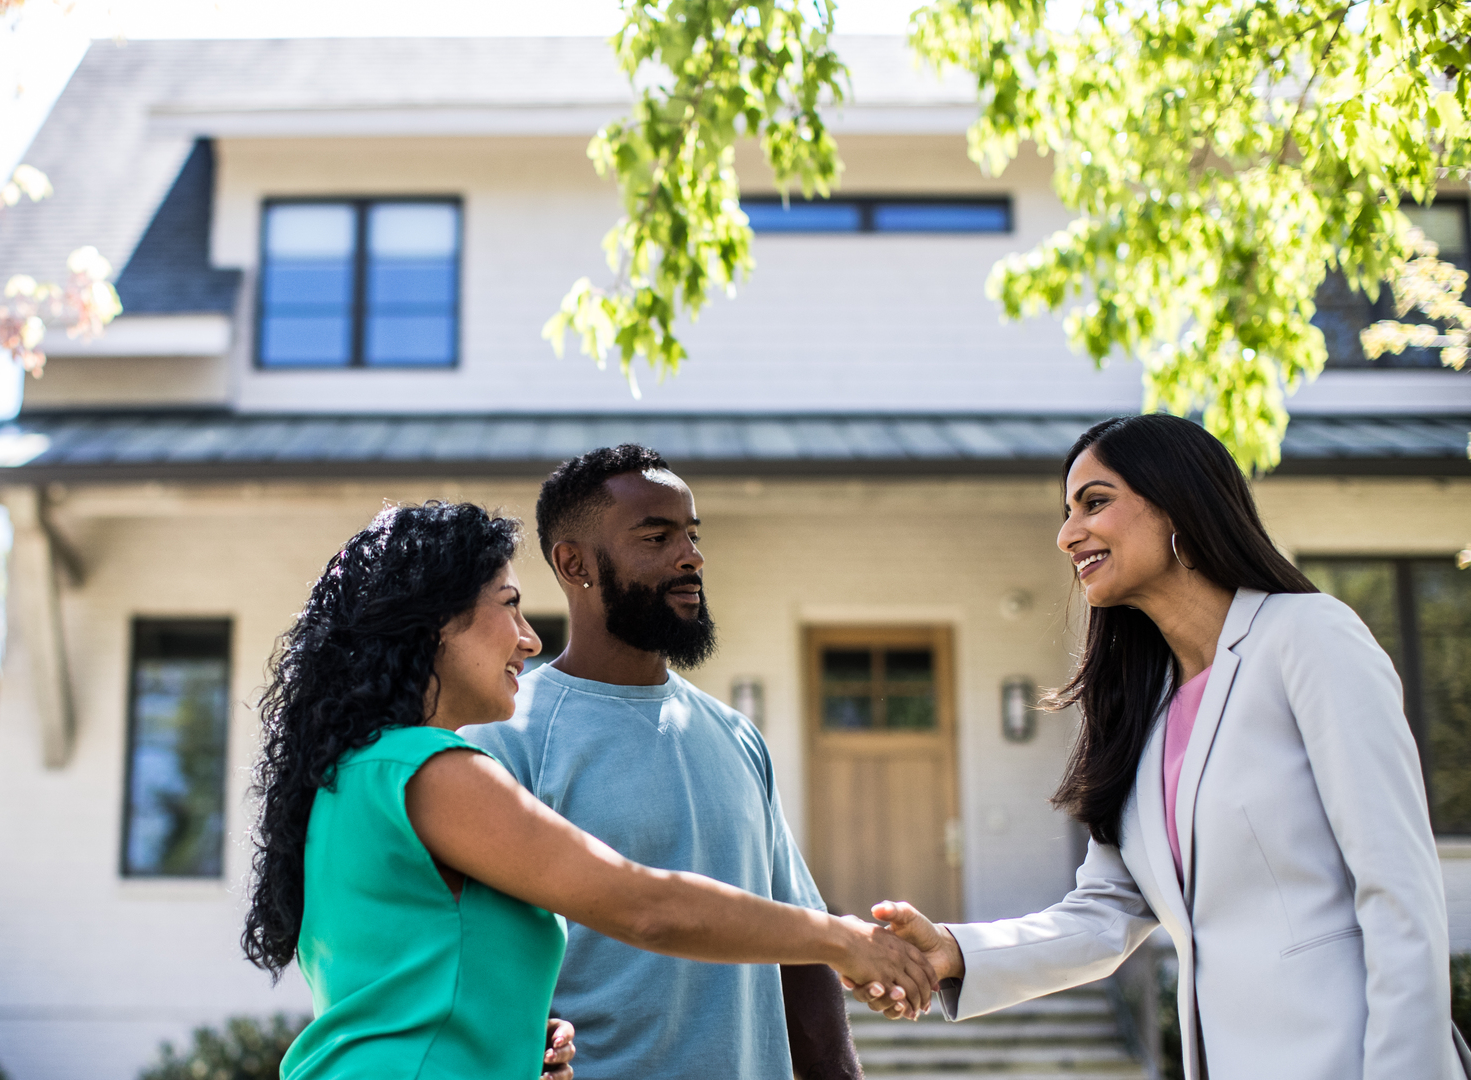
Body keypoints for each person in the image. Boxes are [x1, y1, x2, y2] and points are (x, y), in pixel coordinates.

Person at [853, 413, 1466, 1080]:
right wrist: (951, 950)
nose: (1066, 535)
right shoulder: (1145, 714)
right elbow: (1105, 912)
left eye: (1095, 502)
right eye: (1066, 512)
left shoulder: (1309, 637)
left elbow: (1399, 891)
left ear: (1178, 502)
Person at [241, 501, 935, 1080]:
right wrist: (845, 940)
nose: (528, 639)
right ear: (432, 623)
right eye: (509, 607)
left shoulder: (355, 774)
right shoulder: (434, 771)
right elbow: (645, 906)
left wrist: (508, 1046)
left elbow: (409, 986)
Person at [462, 445, 867, 1080]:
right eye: (656, 535)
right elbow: (479, 970)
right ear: (574, 564)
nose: (691, 556)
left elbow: (800, 952)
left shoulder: (737, 736)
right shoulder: (502, 738)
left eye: (692, 535)